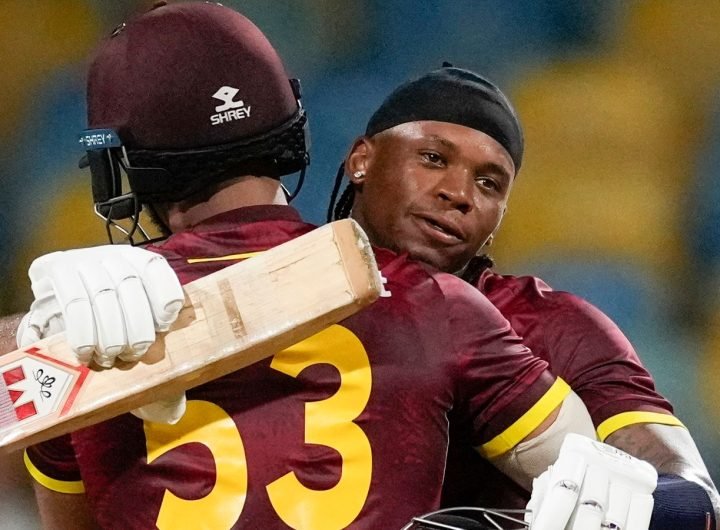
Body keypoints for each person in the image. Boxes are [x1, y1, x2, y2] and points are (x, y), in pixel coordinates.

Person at [6, 3, 599, 529]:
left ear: (121, 170)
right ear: (294, 132)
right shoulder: (439, 304)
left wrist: (37, 356)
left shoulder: (78, 346)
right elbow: (607, 495)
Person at [327, 66, 719, 528]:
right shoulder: (268, 292)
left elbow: (694, 498)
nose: (458, 193)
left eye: (489, 183)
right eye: (433, 158)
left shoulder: (550, 326)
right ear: (361, 161)